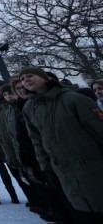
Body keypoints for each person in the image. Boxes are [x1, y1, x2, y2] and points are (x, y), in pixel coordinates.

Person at [19, 66, 103, 224]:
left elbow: (99, 130)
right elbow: (37, 141)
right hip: (63, 171)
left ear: (45, 78)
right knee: (83, 212)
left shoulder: (73, 99)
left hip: (93, 167)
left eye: (30, 76)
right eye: (23, 79)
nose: (25, 80)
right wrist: (45, 168)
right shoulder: (30, 108)